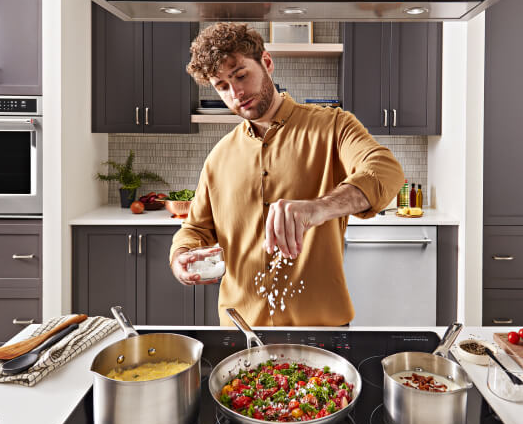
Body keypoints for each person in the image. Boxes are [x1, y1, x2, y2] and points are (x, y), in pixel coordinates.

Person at [169, 22, 404, 326]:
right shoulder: (219, 157)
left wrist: (319, 208)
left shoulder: (333, 126)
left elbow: (386, 171)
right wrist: (181, 255)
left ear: (266, 62)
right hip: (241, 329)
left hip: (321, 327)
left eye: (240, 75)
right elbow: (195, 229)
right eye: (222, 87)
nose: (236, 93)